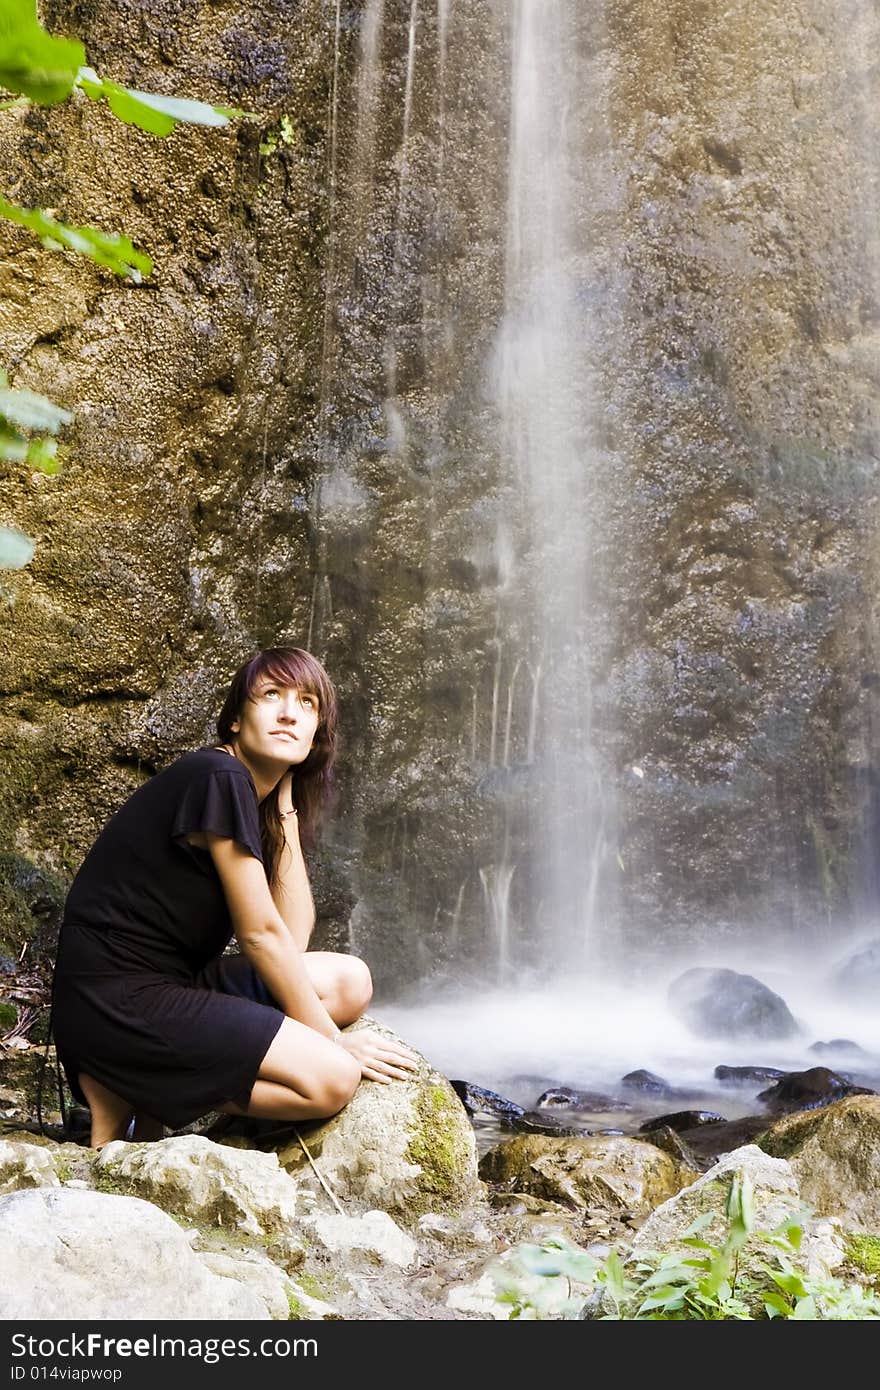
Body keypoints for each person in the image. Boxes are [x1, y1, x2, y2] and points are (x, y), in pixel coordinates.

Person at [49, 645, 417, 1148]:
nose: (290, 712)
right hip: (116, 1002)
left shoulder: (250, 794)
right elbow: (260, 937)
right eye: (271, 695)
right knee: (332, 1078)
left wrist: (285, 807)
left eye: (307, 703)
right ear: (236, 721)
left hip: (173, 983)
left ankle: (134, 1084)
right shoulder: (217, 776)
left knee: (348, 981)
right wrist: (334, 1041)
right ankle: (130, 1078)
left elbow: (290, 935)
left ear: (316, 735)